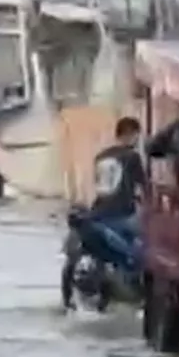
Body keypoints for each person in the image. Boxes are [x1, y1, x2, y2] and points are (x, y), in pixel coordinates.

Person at [61, 116, 147, 310]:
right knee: (144, 249)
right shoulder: (132, 157)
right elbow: (143, 186)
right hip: (121, 214)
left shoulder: (100, 156)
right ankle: (138, 290)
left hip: (98, 211)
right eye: (136, 136)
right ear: (131, 135)